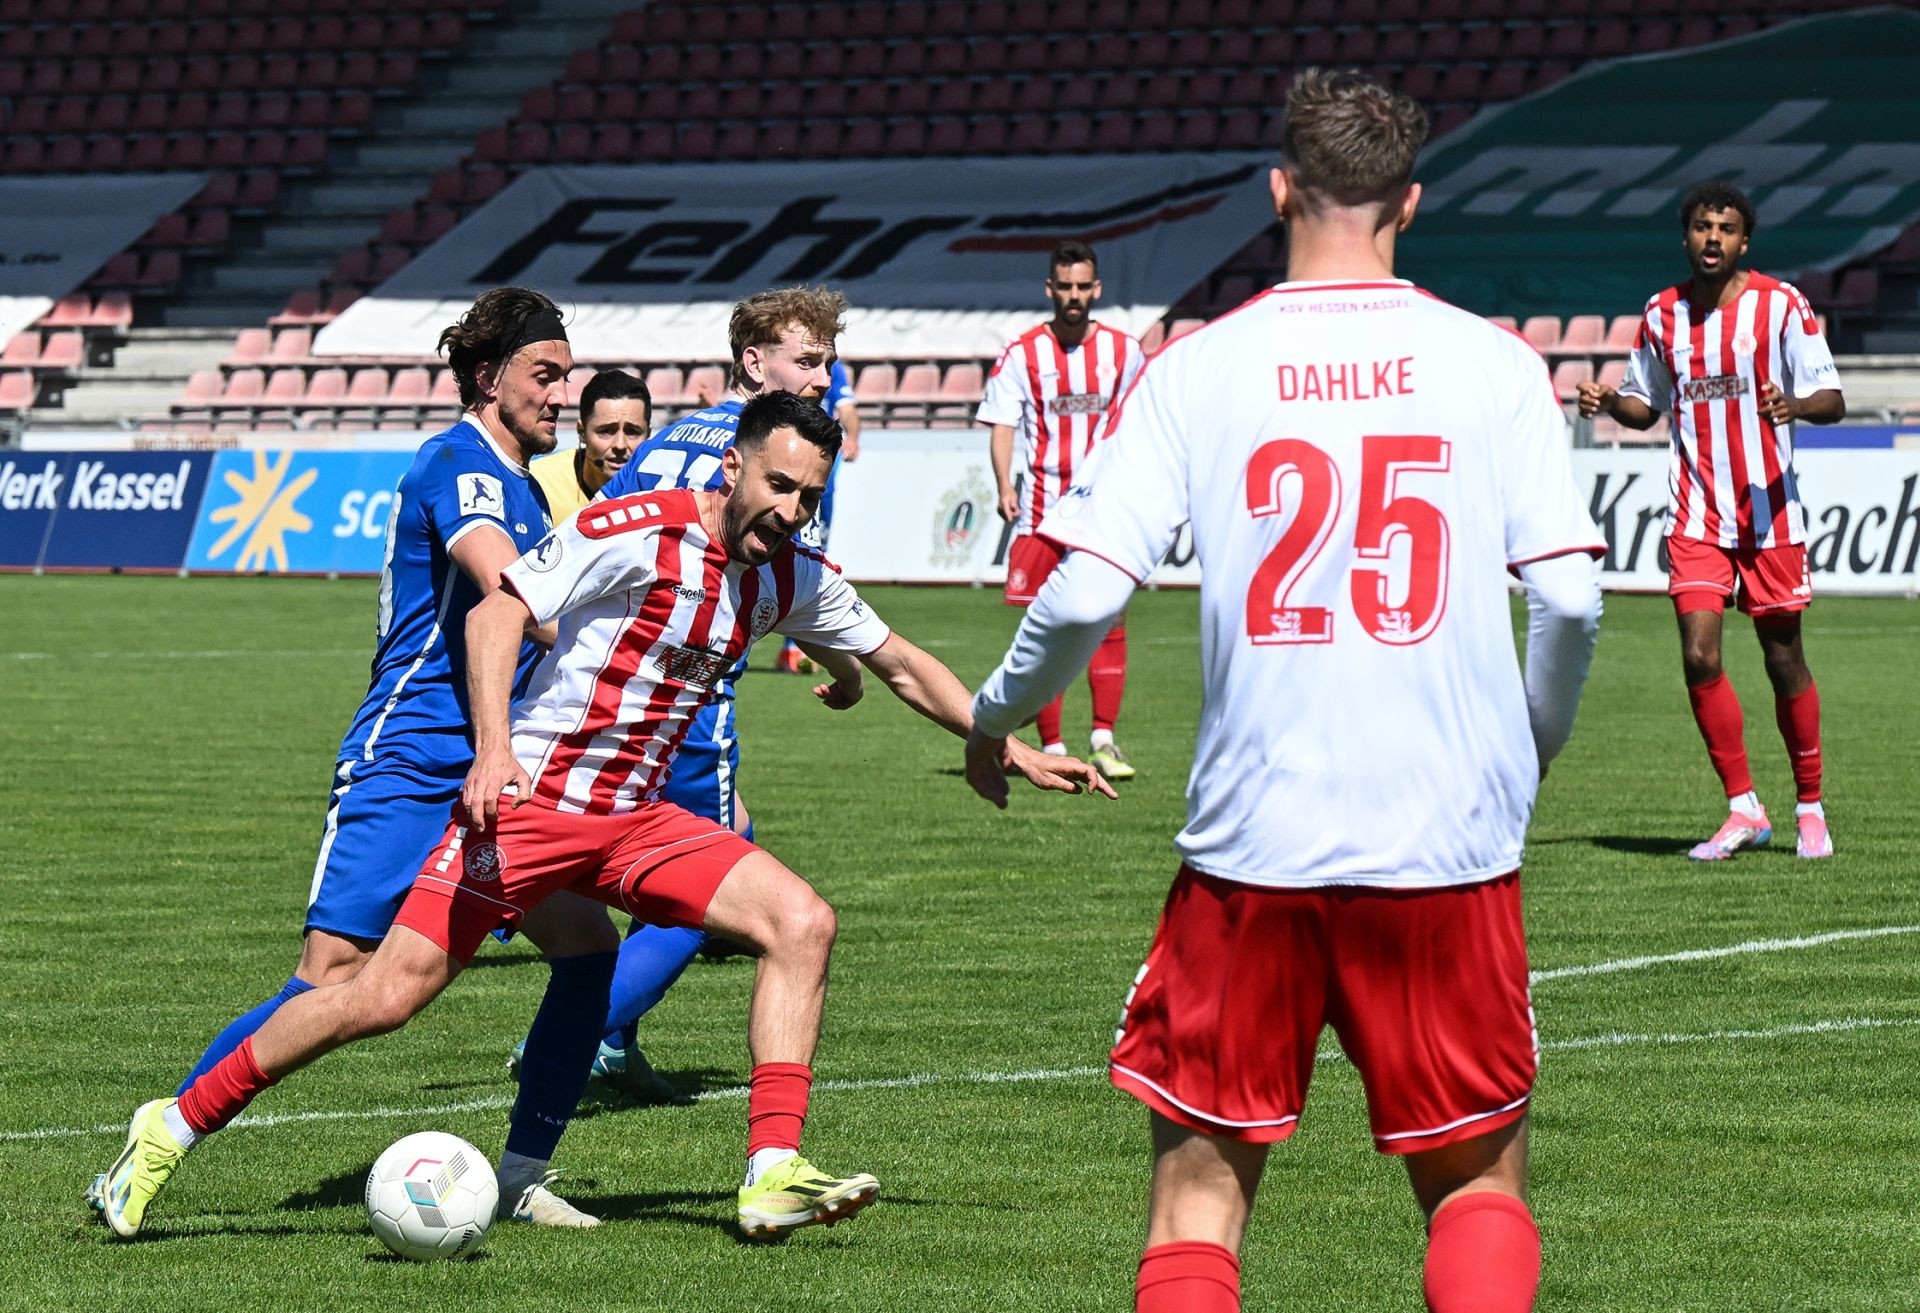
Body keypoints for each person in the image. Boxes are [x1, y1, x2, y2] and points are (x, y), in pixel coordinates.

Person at [92, 391, 1113, 1243]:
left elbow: (900, 662)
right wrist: (494, 749)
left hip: (636, 819)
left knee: (799, 920)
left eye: (809, 495)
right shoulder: (638, 530)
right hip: (535, 807)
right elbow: (498, 611)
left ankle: (765, 1172)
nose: (791, 510)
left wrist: (1006, 740)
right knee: (382, 996)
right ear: (734, 467)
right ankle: (169, 1128)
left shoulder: (788, 573)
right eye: (778, 485)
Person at [964, 69, 1604, 1313]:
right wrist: (1527, 751)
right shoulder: (1493, 363)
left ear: (1277, 190)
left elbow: (1082, 591)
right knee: (1477, 1185)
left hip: (1254, 845)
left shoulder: (1199, 366)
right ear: (1409, 201)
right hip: (1446, 843)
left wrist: (993, 715)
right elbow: (1572, 600)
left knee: (1197, 1202)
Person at [89, 287, 613, 1230]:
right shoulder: (458, 465)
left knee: (587, 946)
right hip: (412, 758)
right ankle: (166, 1132)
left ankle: (522, 1173)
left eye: (565, 376)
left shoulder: (528, 486)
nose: (559, 394)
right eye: (545, 374)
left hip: (500, 770)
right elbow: (509, 584)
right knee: (333, 973)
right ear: (488, 377)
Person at [548, 286, 843, 1089]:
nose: (822, 377)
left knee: (704, 842)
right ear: (754, 361)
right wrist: (847, 663)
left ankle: (612, 1041)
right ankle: (577, 1034)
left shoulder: (671, 437)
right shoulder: (782, 457)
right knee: (703, 885)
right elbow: (797, 579)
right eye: (807, 360)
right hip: (687, 699)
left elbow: (587, 537)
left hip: (611, 690)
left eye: (827, 362)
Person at [1578, 182, 1844, 861]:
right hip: (1696, 514)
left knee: (1783, 658)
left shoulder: (1781, 304)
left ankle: (1809, 806)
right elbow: (1646, 405)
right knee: (1699, 655)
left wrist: (1795, 406)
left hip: (1769, 515)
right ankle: (1743, 806)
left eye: (1726, 228)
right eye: (1702, 226)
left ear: (1744, 242)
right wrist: (1610, 401)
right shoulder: (1661, 313)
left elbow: (1832, 398)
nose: (1713, 238)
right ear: (1686, 236)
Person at [978, 239, 1144, 781]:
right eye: (1065, 286)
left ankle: (1104, 740)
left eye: (1082, 287)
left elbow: (1142, 423)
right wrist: (1003, 484)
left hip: (1103, 511)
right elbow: (1003, 424)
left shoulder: (1124, 352)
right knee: (1046, 625)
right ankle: (1053, 743)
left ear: (1096, 289)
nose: (1074, 296)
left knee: (1111, 618)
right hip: (1042, 511)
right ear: (1050, 288)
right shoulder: (1023, 353)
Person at [774, 355, 862, 674]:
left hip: (822, 482)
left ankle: (795, 647)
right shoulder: (785, 362)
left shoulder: (831, 369)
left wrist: (853, 437)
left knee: (812, 553)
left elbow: (847, 408)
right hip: (786, 471)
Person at [530, 369, 651, 522]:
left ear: (648, 435)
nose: (620, 445)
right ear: (582, 432)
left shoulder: (665, 487)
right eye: (606, 431)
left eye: (632, 432)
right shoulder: (537, 484)